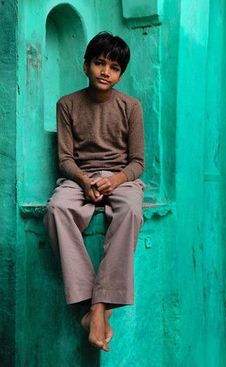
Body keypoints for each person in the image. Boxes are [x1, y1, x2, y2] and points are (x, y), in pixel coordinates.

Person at [44, 32, 145, 352]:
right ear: (85, 65)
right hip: (79, 178)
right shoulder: (67, 104)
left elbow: (138, 162)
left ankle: (99, 307)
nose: (105, 71)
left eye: (113, 67)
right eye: (99, 63)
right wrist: (85, 182)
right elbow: (64, 159)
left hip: (120, 179)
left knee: (130, 210)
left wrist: (115, 181)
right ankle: (93, 303)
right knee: (57, 209)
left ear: (120, 74)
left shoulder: (131, 106)